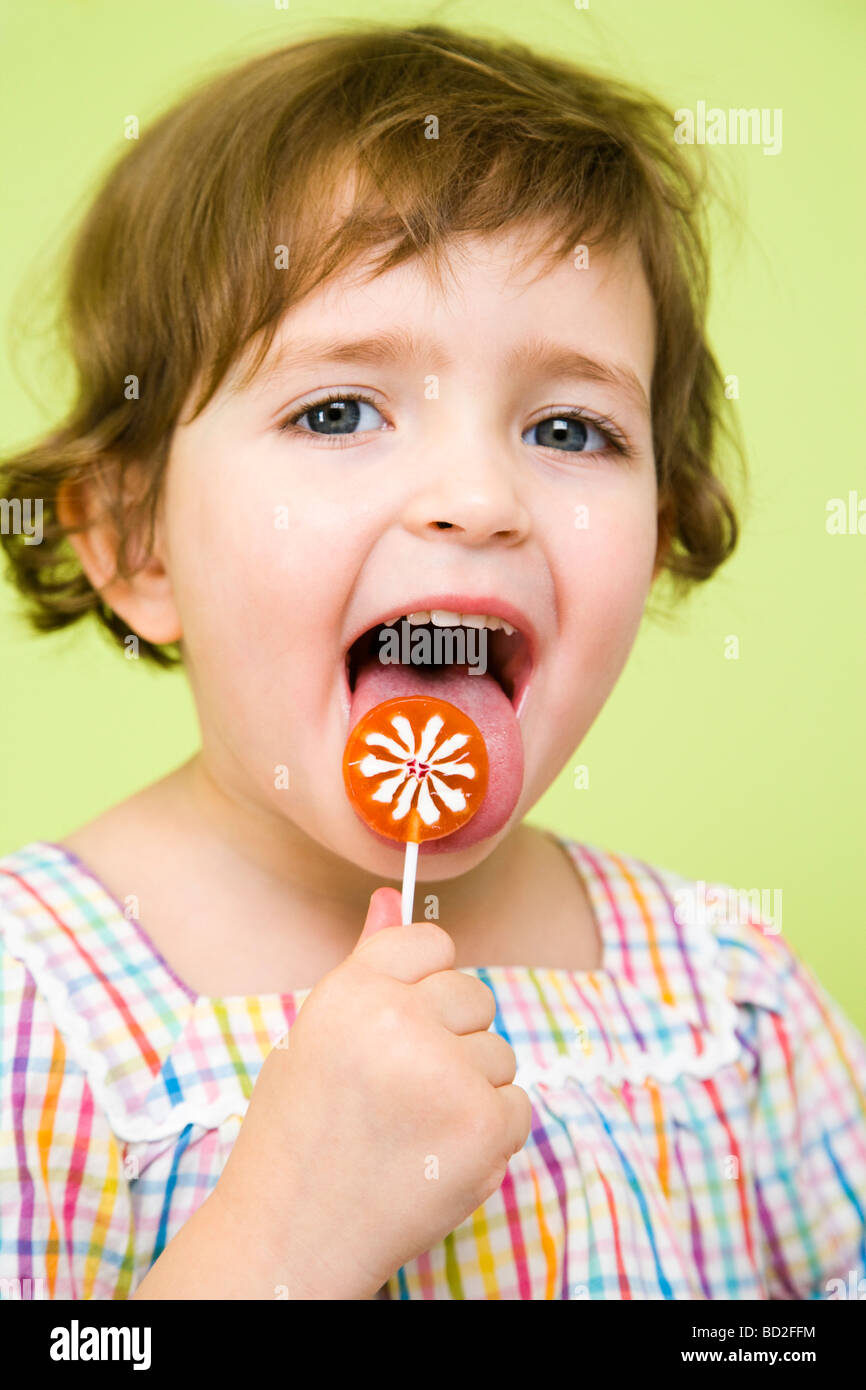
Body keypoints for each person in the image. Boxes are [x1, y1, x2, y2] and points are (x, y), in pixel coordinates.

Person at [1, 24, 863, 1301]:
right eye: (337, 409)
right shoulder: (37, 1022)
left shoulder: (730, 1003)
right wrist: (276, 1244)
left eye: (570, 427)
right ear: (137, 543)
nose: (476, 495)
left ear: (662, 530)